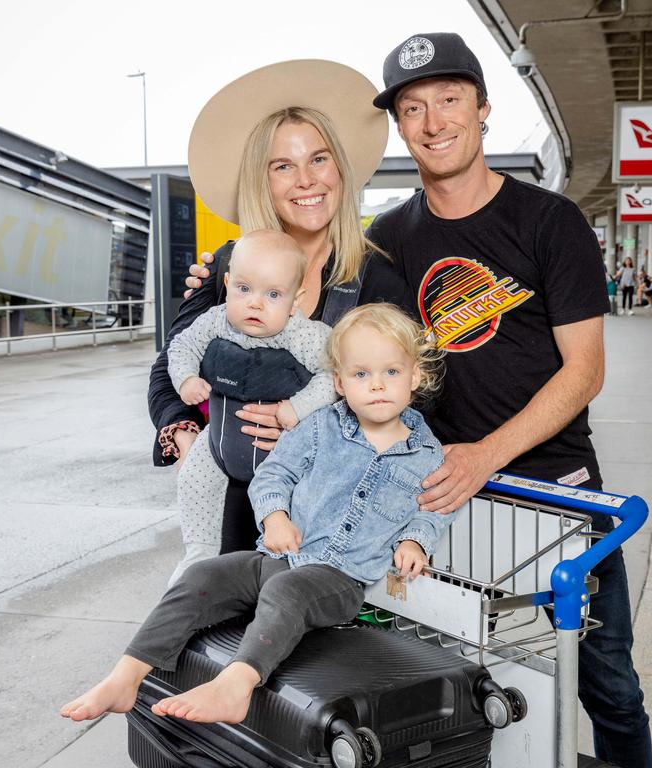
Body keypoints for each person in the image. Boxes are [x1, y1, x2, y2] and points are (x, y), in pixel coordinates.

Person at [365, 32, 652, 768]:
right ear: (399, 124)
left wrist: (486, 455)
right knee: (460, 686)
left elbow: (583, 371)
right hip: (444, 504)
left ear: (483, 108)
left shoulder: (550, 222)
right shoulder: (389, 240)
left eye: (450, 100)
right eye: (413, 107)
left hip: (556, 496)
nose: (433, 122)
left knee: (607, 686)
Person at [60, 303, 450, 725]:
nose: (376, 385)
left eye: (391, 372)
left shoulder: (427, 455)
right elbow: (273, 475)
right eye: (361, 374)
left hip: (336, 580)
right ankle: (127, 674)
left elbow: (432, 511)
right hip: (274, 559)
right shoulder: (320, 427)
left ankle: (237, 685)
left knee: (288, 593)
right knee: (202, 575)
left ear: (416, 376)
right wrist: (275, 518)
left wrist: (414, 541)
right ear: (339, 381)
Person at [150, 60, 411, 557]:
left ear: (341, 168)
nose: (305, 180)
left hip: (329, 520)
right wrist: (186, 437)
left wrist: (305, 415)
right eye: (283, 166)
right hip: (230, 511)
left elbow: (408, 394)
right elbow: (170, 364)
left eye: (319, 159)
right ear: (264, 181)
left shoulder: (376, 278)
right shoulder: (231, 264)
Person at [164, 230, 336, 585]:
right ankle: (198, 553)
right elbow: (181, 346)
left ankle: (300, 566)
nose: (255, 303)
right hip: (219, 445)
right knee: (195, 479)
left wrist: (298, 406)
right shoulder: (216, 319)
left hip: (284, 456)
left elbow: (335, 376)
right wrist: (185, 380)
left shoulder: (303, 334)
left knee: (296, 506)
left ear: (295, 300)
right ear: (226, 284)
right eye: (244, 289)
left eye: (273, 294)